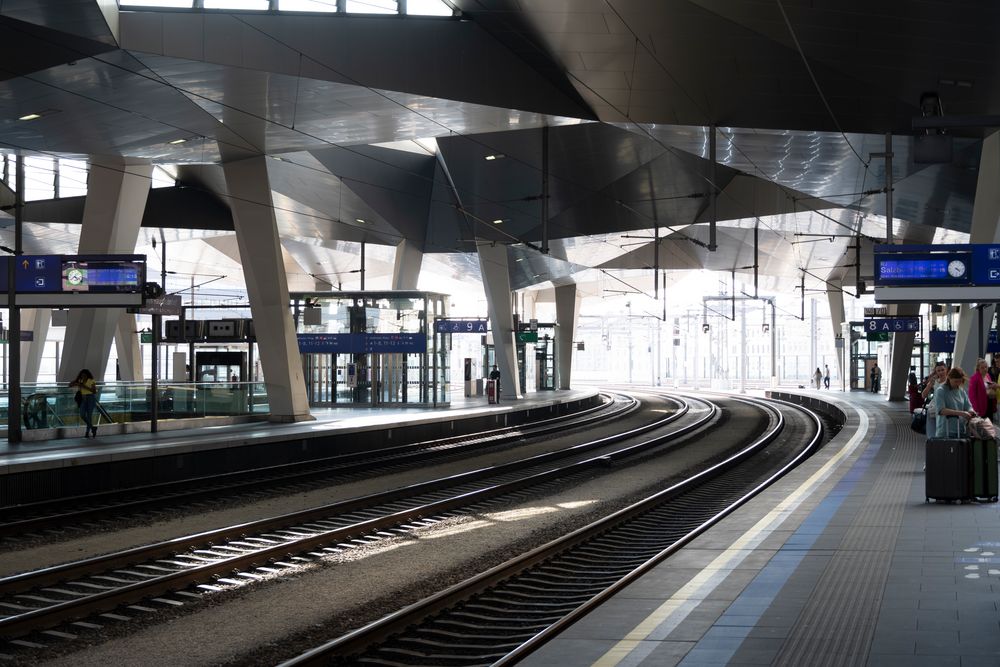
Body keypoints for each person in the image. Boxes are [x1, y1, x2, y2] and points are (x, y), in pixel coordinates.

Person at [934, 366, 975, 438]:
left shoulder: (961, 391)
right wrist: (961, 413)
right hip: (946, 431)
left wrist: (970, 411)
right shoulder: (941, 390)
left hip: (960, 429)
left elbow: (968, 406)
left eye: (960, 381)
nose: (958, 384)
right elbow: (941, 410)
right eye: (956, 381)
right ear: (949, 378)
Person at [69, 368, 98, 438]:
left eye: (84, 375)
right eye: (82, 375)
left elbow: (94, 391)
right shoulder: (80, 380)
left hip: (90, 398)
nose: (83, 376)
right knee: (82, 414)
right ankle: (93, 428)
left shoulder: (91, 381)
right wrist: (76, 382)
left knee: (89, 416)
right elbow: (70, 385)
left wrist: (84, 386)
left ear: (87, 375)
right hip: (83, 399)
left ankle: (87, 432)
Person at [922, 361, 948, 437]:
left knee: (944, 433)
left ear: (946, 370)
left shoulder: (950, 381)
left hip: (946, 409)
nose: (941, 372)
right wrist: (930, 384)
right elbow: (924, 395)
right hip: (933, 410)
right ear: (936, 372)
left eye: (942, 370)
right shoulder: (934, 382)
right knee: (932, 433)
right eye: (938, 371)